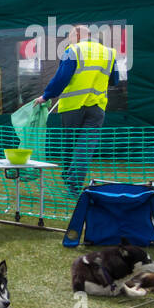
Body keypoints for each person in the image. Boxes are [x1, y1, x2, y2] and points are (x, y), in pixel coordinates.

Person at [35, 24, 118, 196]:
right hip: (97, 107)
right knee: (85, 148)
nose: (70, 39)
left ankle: (68, 179)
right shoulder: (109, 52)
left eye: (71, 35)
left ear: (78, 35)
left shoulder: (74, 50)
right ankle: (73, 186)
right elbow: (114, 80)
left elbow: (61, 78)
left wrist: (46, 96)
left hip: (72, 106)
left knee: (70, 145)